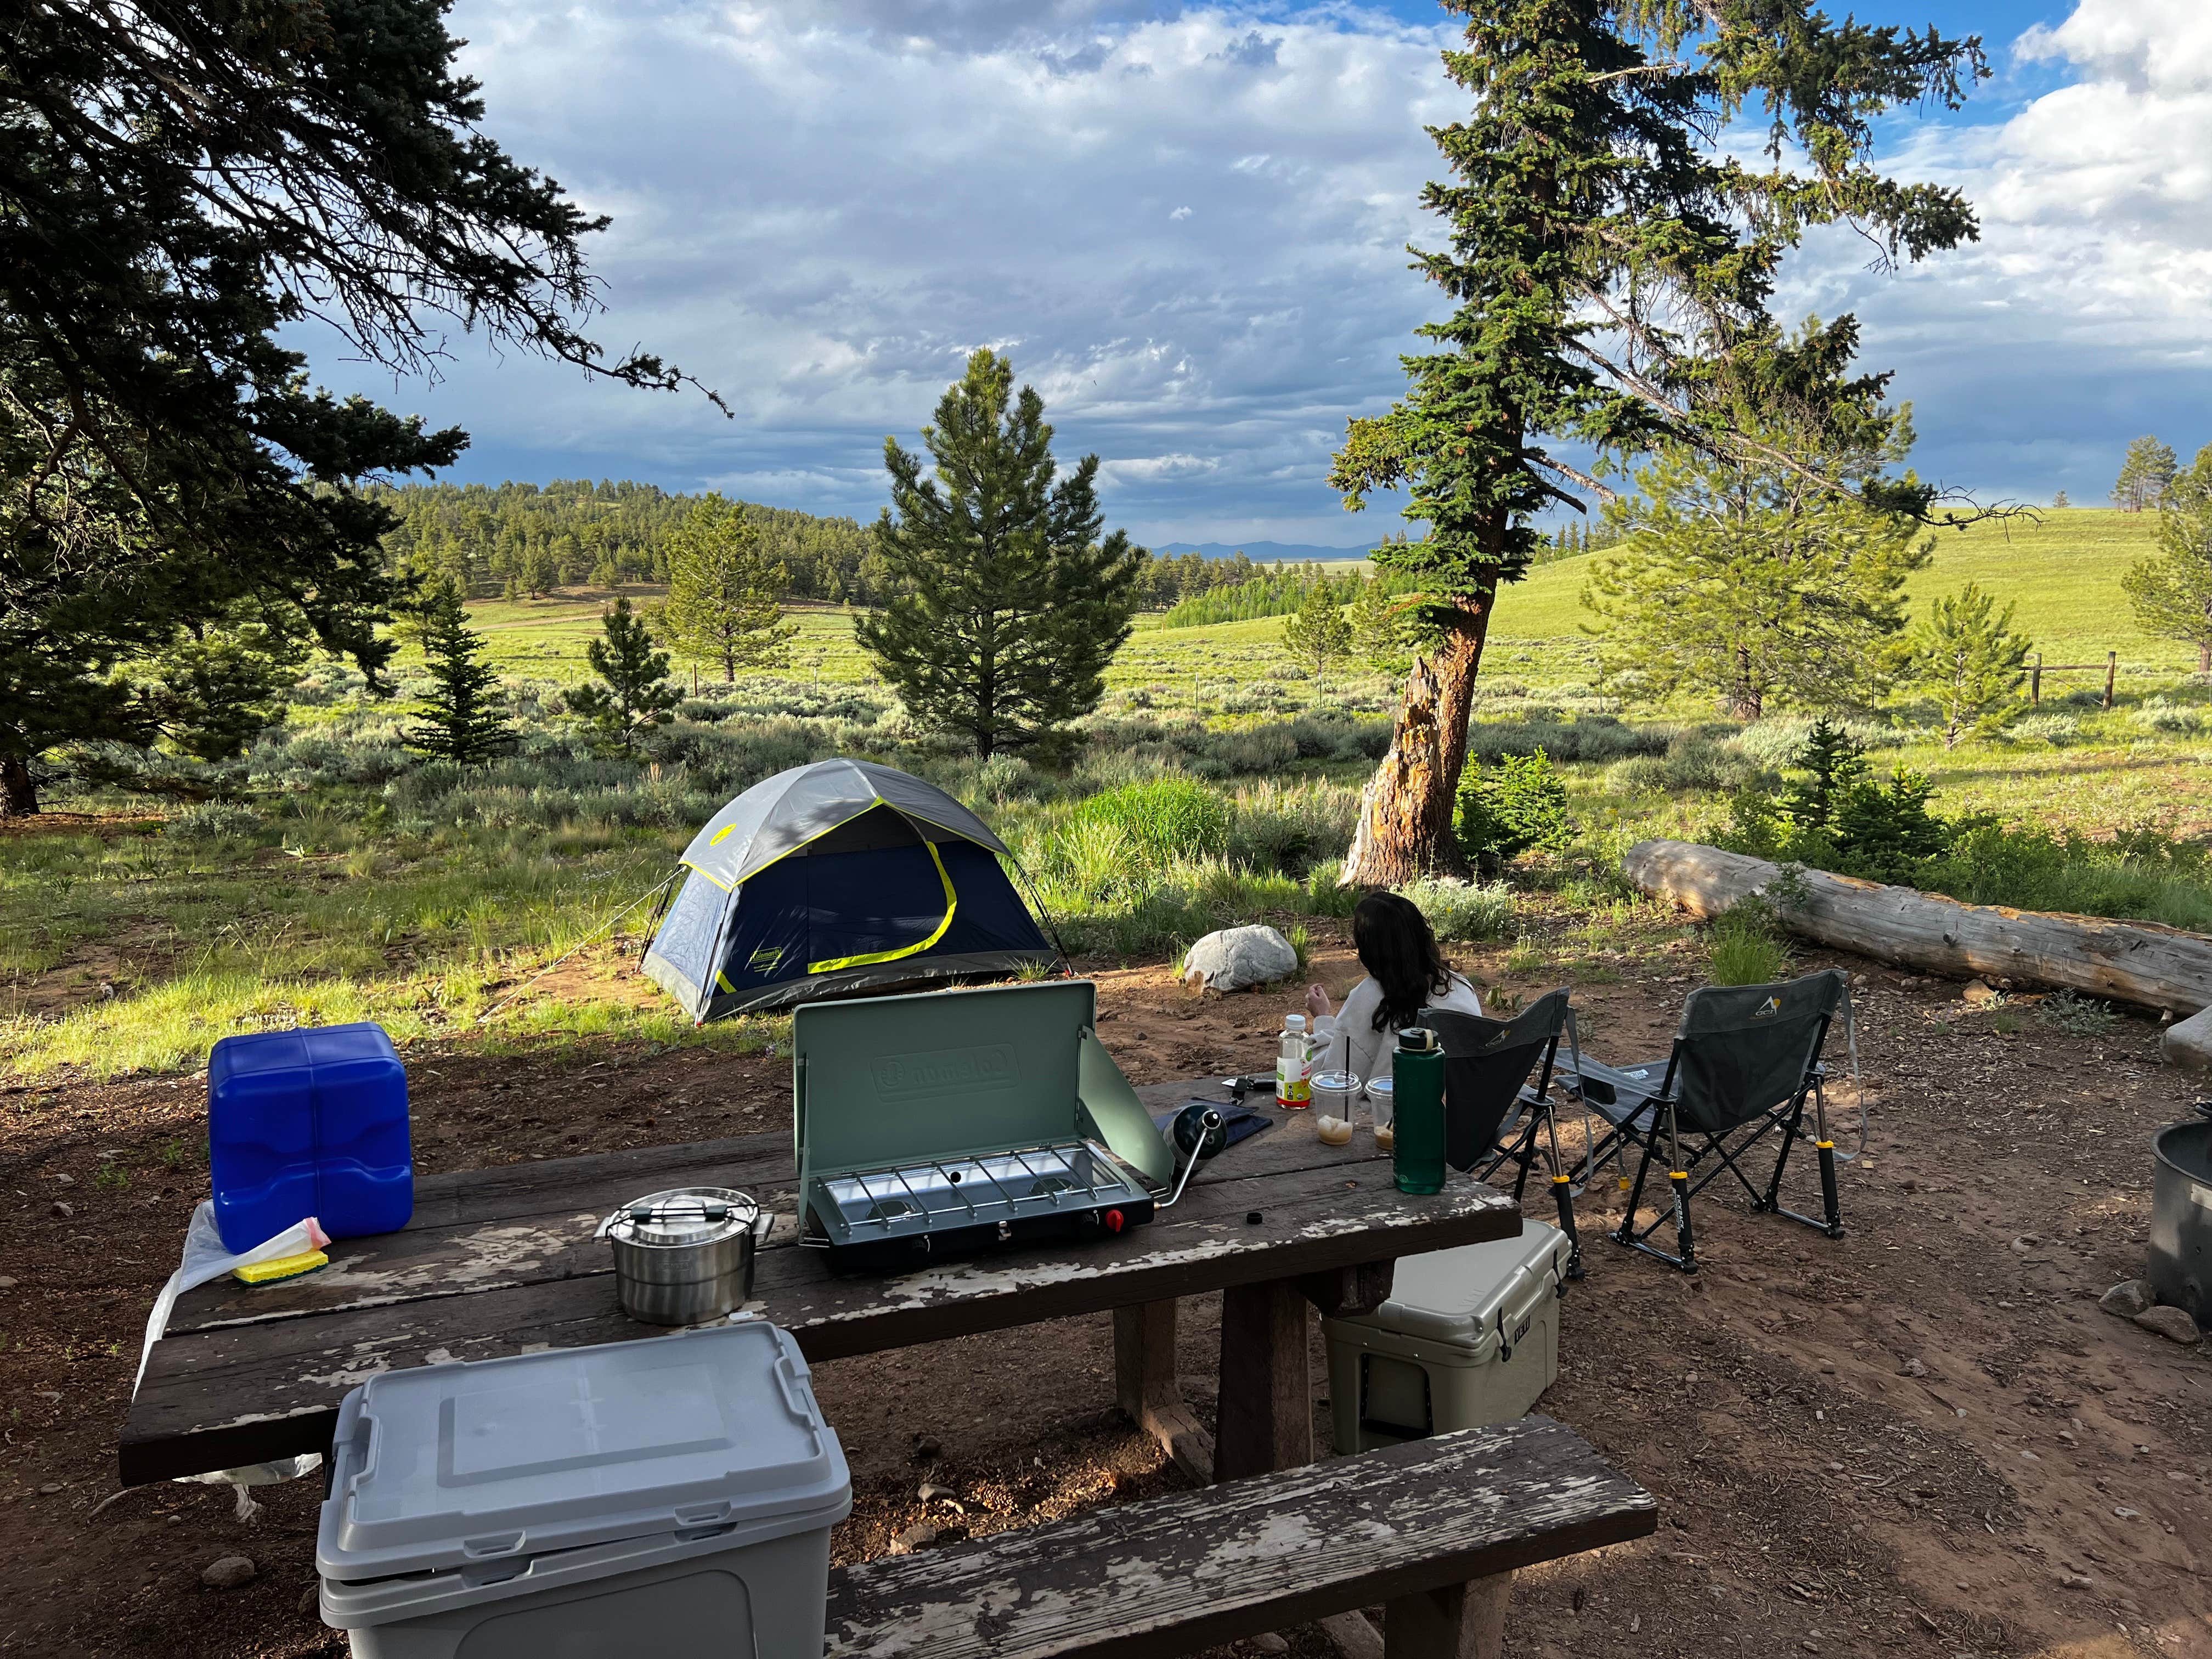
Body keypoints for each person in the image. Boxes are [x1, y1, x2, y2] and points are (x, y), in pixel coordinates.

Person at [1305, 891, 1483, 1086]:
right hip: (1463, 1109)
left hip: (1397, 1112)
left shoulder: (1370, 996)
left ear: (1369, 948)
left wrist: (1323, 1018)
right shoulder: (1461, 987)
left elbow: (1335, 1077)